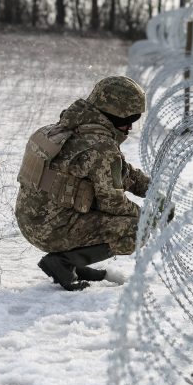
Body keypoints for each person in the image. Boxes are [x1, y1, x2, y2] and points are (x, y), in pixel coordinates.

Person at [15, 76, 152, 291]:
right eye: (129, 119)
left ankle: (73, 262)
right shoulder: (101, 147)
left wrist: (149, 188)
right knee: (136, 228)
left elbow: (122, 172)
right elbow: (113, 203)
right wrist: (151, 216)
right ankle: (64, 262)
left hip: (32, 220)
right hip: (50, 229)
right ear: (115, 114)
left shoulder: (68, 128)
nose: (130, 128)